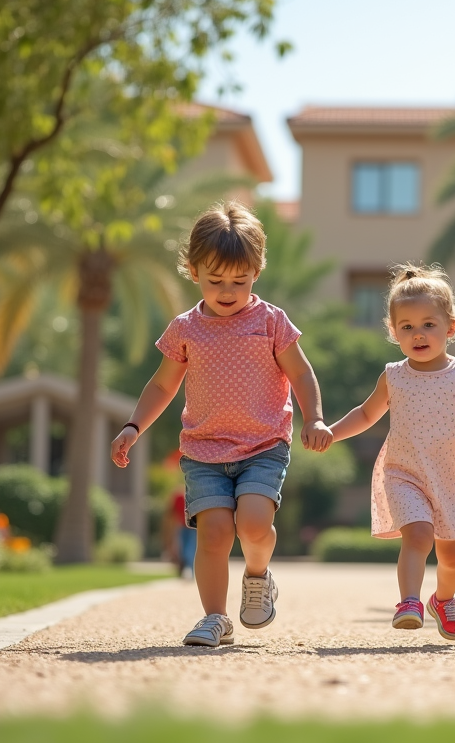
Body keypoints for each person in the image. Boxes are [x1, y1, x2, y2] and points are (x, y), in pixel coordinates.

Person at [111, 201, 332, 647]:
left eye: (240, 280)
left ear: (257, 271)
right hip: (204, 450)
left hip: (263, 445)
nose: (228, 290)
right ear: (193, 272)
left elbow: (301, 373)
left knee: (252, 524)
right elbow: (162, 386)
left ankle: (257, 575)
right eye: (215, 281)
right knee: (213, 532)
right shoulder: (185, 329)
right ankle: (215, 617)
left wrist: (316, 418)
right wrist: (134, 426)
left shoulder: (270, 321)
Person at [327, 263, 455, 640]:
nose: (418, 334)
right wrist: (332, 433)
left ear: (450, 327)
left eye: (428, 324)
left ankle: (443, 600)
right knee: (417, 537)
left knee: (453, 557)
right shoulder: (394, 375)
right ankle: (409, 602)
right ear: (393, 332)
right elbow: (366, 413)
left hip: (454, 477)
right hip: (404, 472)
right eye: (407, 327)